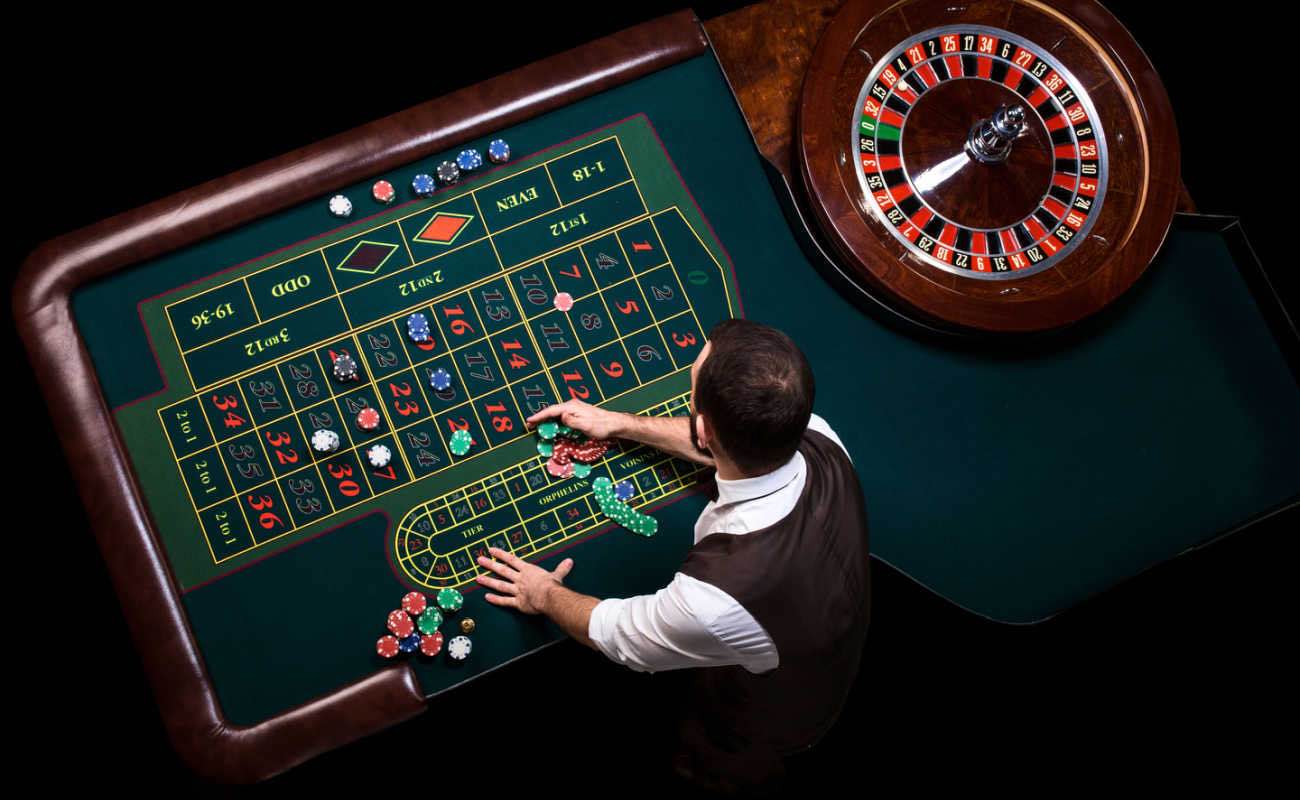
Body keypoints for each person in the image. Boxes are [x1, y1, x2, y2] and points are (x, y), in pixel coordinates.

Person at [475, 318, 871, 794]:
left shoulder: (720, 596)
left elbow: (619, 636)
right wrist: (619, 424)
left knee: (711, 762)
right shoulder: (818, 436)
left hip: (766, 721)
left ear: (703, 428)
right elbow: (727, 444)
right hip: (829, 625)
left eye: (692, 382)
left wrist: (543, 593)